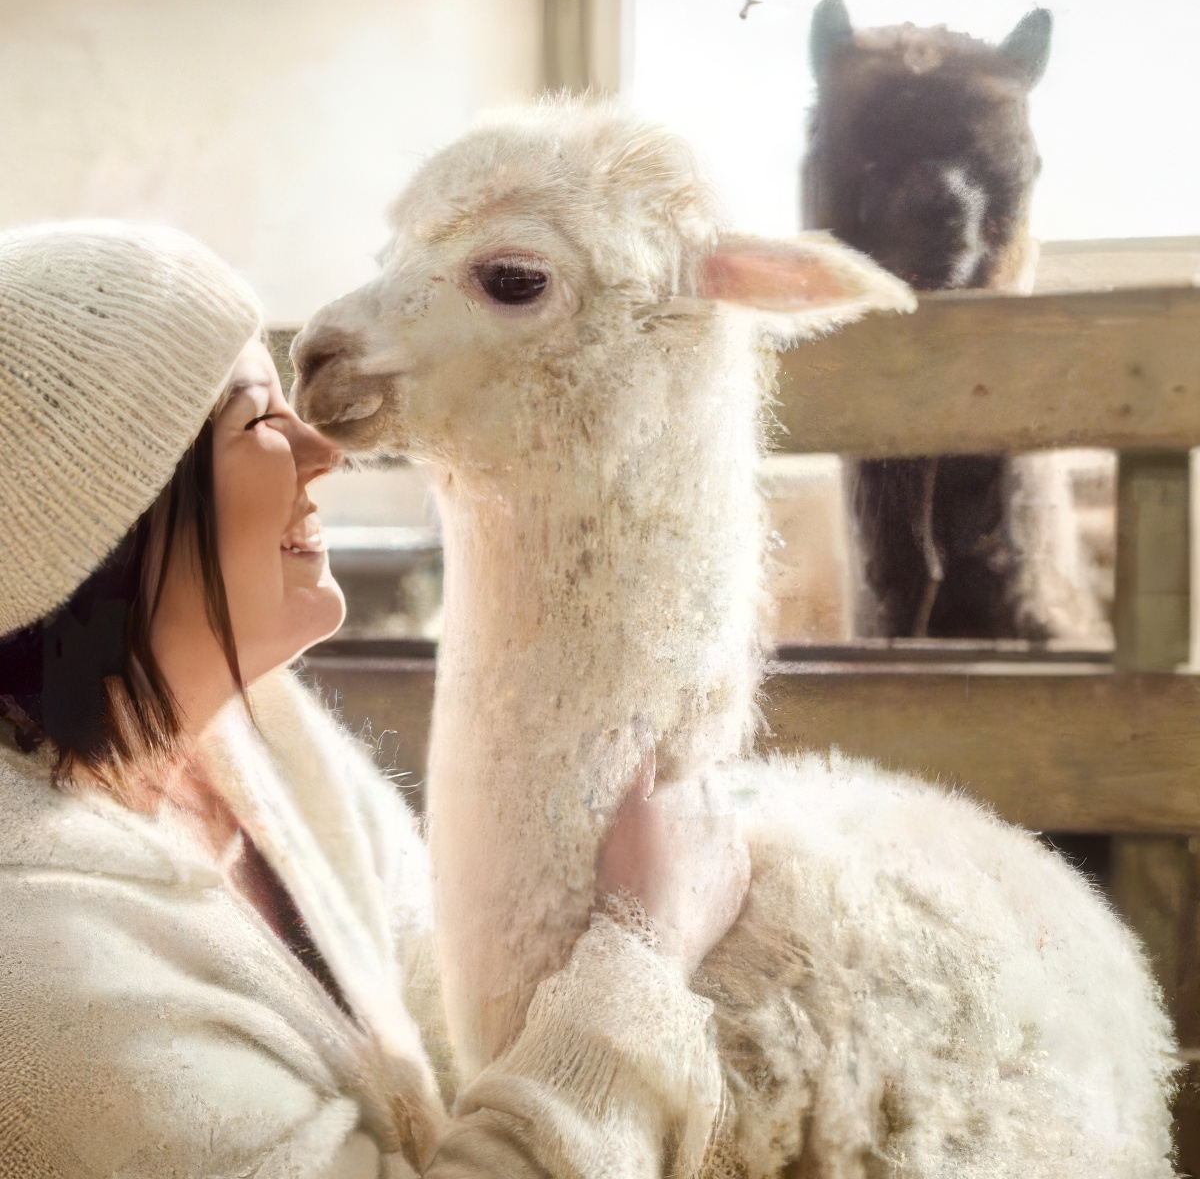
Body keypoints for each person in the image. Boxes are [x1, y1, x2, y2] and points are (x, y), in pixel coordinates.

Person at [0, 221, 749, 1177]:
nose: (322, 449)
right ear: (108, 517)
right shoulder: (45, 981)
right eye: (255, 420)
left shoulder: (255, 739)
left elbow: (441, 1007)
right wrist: (644, 950)